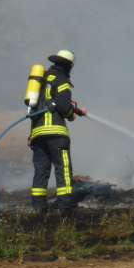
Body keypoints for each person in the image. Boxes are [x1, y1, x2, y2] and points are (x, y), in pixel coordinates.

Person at [29, 49, 86, 213]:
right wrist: (71, 114)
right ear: (68, 66)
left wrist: (31, 134)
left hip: (38, 133)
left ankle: (38, 207)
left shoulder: (40, 81)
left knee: (41, 170)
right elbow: (63, 106)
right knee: (63, 168)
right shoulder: (62, 80)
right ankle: (65, 205)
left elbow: (34, 108)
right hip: (56, 133)